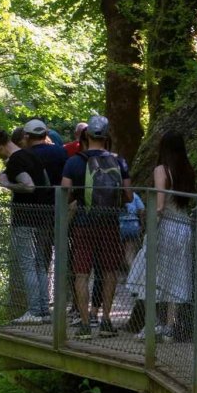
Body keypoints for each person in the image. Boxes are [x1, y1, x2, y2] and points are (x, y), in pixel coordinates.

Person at [61, 114, 131, 338]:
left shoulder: (73, 162)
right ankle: (107, 321)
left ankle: (83, 324)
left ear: (87, 135)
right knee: (110, 270)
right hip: (110, 222)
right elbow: (128, 196)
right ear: (107, 135)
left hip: (83, 222)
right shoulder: (119, 162)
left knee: (81, 272)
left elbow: (64, 194)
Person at [124, 129, 196, 341]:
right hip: (183, 229)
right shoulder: (187, 170)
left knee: (148, 274)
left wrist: (150, 224)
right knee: (175, 275)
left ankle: (152, 324)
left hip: (165, 228)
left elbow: (160, 203)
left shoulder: (161, 170)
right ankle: (169, 328)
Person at [0, 128, 53, 322]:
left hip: (25, 217)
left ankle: (33, 311)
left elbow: (29, 185)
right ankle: (43, 310)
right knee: (40, 263)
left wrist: (6, 184)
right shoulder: (31, 155)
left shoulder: (16, 161)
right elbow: (44, 183)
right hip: (44, 216)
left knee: (28, 264)